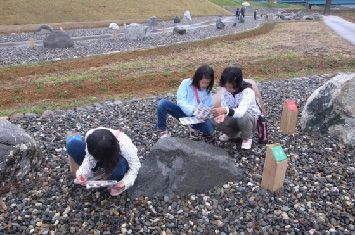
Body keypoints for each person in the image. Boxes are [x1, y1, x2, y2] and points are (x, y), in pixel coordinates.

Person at [66, 127, 141, 196]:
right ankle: (96, 172)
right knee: (72, 146)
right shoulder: (91, 135)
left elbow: (135, 166)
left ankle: (115, 180)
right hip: (102, 157)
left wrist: (125, 182)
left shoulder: (126, 145)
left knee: (120, 168)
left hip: (116, 161)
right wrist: (83, 172)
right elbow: (88, 157)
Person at [157, 65, 215, 139]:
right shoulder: (186, 83)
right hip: (183, 112)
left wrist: (205, 114)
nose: (205, 85)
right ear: (197, 79)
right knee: (162, 104)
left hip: (198, 117)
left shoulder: (207, 91)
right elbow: (181, 101)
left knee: (210, 130)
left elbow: (209, 106)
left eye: (208, 83)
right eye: (203, 83)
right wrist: (193, 109)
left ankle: (195, 128)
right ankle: (162, 130)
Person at [211, 67, 261, 150]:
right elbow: (225, 104)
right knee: (213, 117)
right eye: (225, 86)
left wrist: (225, 110)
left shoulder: (248, 92)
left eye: (230, 87)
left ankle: (247, 137)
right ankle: (233, 134)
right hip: (234, 118)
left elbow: (240, 112)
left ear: (238, 83)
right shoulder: (225, 90)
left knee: (243, 117)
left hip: (250, 121)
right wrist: (222, 114)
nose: (228, 89)